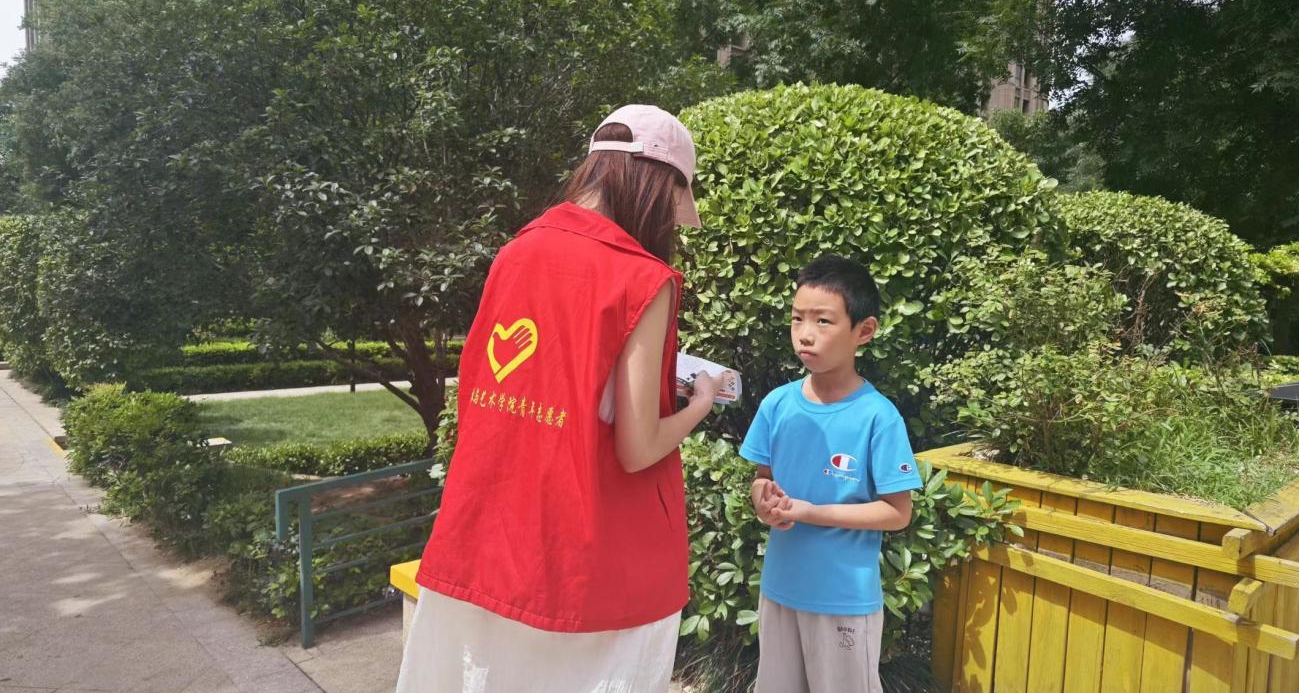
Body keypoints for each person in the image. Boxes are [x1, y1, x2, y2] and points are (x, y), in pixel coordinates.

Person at [395, 105, 724, 693]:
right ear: (658, 186)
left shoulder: (515, 253)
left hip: (485, 538)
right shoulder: (642, 278)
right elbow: (638, 448)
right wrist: (699, 401)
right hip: (590, 567)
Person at [741, 255, 922, 693]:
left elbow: (897, 513)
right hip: (779, 590)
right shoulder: (777, 404)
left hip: (843, 601)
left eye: (823, 321)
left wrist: (811, 512)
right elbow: (762, 479)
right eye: (797, 318)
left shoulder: (878, 417)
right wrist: (764, 502)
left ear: (865, 331)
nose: (805, 333)